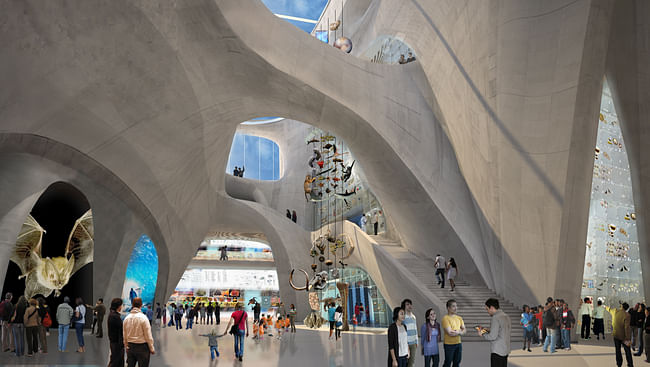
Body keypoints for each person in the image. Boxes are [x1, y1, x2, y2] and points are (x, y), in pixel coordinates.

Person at [478, 298, 511, 367]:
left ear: (492, 308)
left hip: (497, 351)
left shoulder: (495, 317)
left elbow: (492, 337)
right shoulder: (506, 316)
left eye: (487, 309)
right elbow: (503, 330)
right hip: (505, 350)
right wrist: (488, 330)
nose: (487, 311)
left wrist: (483, 333)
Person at [123, 297, 155, 367]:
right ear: (141, 305)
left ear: (132, 305)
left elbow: (124, 335)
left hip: (131, 346)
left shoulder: (126, 318)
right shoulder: (144, 318)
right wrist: (151, 348)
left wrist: (126, 346)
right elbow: (148, 335)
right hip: (142, 347)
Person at [441, 299, 465, 367]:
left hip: (458, 343)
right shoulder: (445, 318)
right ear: (448, 308)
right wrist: (460, 331)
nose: (456, 308)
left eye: (456, 306)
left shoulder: (459, 318)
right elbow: (450, 333)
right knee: (448, 363)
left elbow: (464, 330)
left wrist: (457, 332)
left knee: (457, 363)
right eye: (453, 306)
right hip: (449, 345)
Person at [611, 302, 633, 367]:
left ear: (622, 306)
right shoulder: (627, 315)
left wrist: (605, 307)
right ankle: (630, 364)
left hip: (616, 335)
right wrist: (628, 338)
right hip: (624, 336)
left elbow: (609, 309)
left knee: (618, 350)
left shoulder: (615, 312)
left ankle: (619, 364)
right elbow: (627, 327)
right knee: (627, 351)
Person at [401, 299, 418, 367]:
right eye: (407, 304)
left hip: (413, 343)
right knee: (405, 362)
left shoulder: (413, 317)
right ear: (404, 306)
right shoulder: (403, 317)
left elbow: (415, 329)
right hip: (405, 343)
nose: (409, 306)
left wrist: (416, 341)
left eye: (410, 304)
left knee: (412, 362)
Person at [108, 298, 124, 367]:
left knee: (115, 360)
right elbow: (120, 330)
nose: (121, 307)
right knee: (116, 362)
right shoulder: (115, 317)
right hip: (117, 343)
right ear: (118, 306)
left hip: (114, 342)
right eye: (121, 305)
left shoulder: (112, 315)